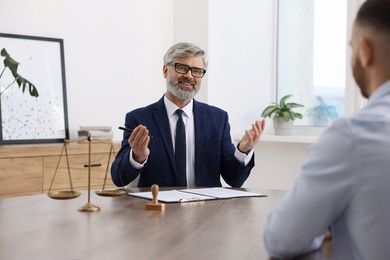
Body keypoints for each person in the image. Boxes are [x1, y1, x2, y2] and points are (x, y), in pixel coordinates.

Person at [263, 0, 390, 259]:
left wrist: (324, 224)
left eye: (352, 48)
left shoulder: (353, 136)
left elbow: (281, 238)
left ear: (365, 51)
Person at [111, 42, 264, 188]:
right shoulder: (139, 119)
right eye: (182, 68)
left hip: (206, 211)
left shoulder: (218, 119)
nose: (189, 76)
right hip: (158, 210)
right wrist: (138, 156)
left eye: (197, 71)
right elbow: (119, 178)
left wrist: (243, 150)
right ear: (165, 71)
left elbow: (234, 180)